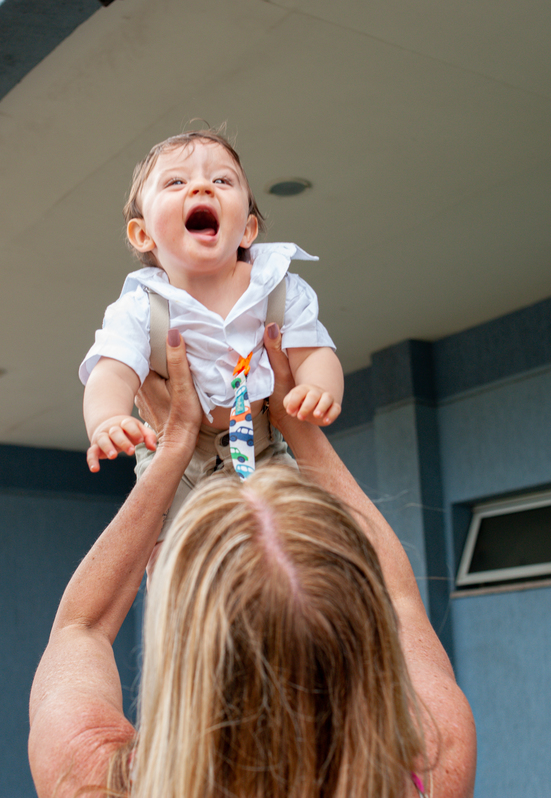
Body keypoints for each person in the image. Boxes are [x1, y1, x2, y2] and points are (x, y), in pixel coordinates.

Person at [30, 325, 477, 798]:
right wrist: (294, 423)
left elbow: (82, 626)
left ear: (176, 636)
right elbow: (398, 599)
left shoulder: (95, 782)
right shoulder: (432, 765)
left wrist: (176, 443)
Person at [79, 129, 344, 509]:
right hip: (177, 462)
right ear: (142, 234)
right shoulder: (141, 308)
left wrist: (318, 388)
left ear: (248, 230)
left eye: (221, 180)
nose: (202, 187)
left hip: (265, 451)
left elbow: (313, 351)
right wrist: (107, 420)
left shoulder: (278, 289)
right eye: (176, 181)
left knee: (292, 535)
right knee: (168, 551)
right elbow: (112, 372)